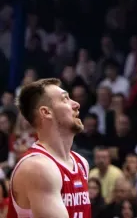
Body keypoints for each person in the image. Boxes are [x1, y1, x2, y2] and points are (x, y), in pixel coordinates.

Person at [7, 78, 91, 218]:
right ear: (46, 112)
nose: (76, 104)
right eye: (65, 99)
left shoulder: (81, 163)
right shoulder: (38, 167)